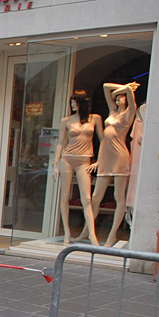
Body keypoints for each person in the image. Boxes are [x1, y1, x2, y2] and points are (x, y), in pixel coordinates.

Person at [91, 82, 139, 247]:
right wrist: (124, 87)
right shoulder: (112, 111)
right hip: (105, 156)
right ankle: (89, 231)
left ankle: (112, 235)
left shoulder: (129, 113)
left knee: (119, 197)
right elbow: (105, 86)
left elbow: (128, 95)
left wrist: (127, 89)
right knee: (96, 197)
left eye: (122, 97)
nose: (119, 98)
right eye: (117, 97)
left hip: (119, 156)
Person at [54, 90, 102, 245]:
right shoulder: (66, 121)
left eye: (76, 102)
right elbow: (61, 143)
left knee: (87, 198)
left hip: (84, 161)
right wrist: (55, 165)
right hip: (67, 159)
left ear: (83, 102)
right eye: (71, 102)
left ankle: (92, 234)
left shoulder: (95, 119)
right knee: (64, 196)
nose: (73, 105)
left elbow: (102, 140)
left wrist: (99, 160)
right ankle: (67, 231)